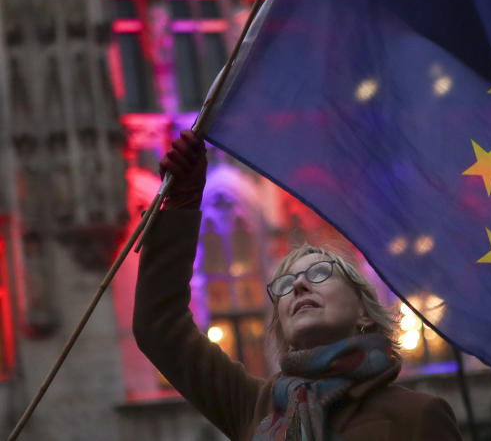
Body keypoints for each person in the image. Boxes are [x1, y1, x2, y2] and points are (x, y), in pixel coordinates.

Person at [133, 130, 463, 441]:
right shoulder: (256, 407)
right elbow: (159, 327)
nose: (300, 285)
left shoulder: (418, 416)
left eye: (319, 273)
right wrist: (182, 205)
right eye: (286, 284)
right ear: (282, 329)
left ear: (363, 311)